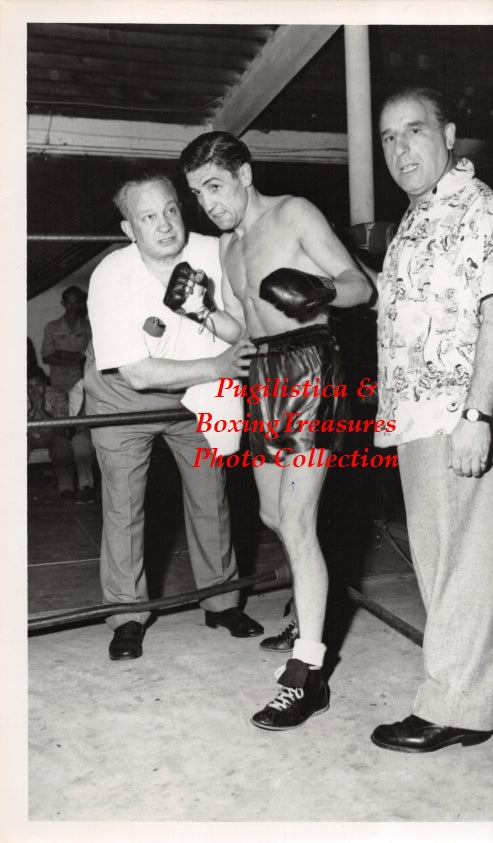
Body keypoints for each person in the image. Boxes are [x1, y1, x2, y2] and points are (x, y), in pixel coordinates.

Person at [180, 132, 374, 730]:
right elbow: (244, 326)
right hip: (262, 374)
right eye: (198, 194)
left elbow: (360, 285)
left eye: (215, 186)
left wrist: (321, 290)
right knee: (272, 513)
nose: (209, 203)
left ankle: (308, 671)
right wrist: (204, 313)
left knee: (296, 520)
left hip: (311, 364)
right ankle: (309, 604)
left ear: (244, 173)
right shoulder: (229, 246)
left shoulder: (293, 214)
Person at [370, 85, 493, 752]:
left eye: (414, 130)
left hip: (457, 412)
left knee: (456, 559)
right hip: (415, 414)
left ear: (449, 135)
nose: (400, 148)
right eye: (388, 137)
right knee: (456, 557)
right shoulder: (417, 217)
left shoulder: (481, 209)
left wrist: (477, 414)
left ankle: (453, 706)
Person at [83, 173, 263, 661]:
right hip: (123, 397)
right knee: (124, 506)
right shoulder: (111, 275)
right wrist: (218, 366)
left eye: (170, 210)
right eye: (148, 217)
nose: (164, 225)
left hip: (196, 392)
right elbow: (138, 374)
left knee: (211, 497)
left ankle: (222, 603)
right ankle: (127, 615)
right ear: (129, 229)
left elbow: (241, 324)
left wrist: (218, 341)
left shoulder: (212, 250)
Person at [27, 367, 95, 504]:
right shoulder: (15, 397)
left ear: (45, 383)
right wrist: (31, 411)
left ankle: (66, 489)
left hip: (52, 435)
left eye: (38, 386)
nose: (35, 391)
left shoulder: (57, 395)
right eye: (30, 387)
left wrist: (42, 412)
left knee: (62, 444)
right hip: (27, 437)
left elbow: (61, 430)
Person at [41, 285, 92, 394]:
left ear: (81, 304)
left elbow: (90, 355)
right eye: (69, 302)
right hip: (59, 383)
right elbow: (46, 357)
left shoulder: (89, 327)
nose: (72, 306)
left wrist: (61, 353)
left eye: (76, 302)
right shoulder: (52, 327)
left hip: (83, 382)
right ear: (63, 303)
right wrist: (75, 361)